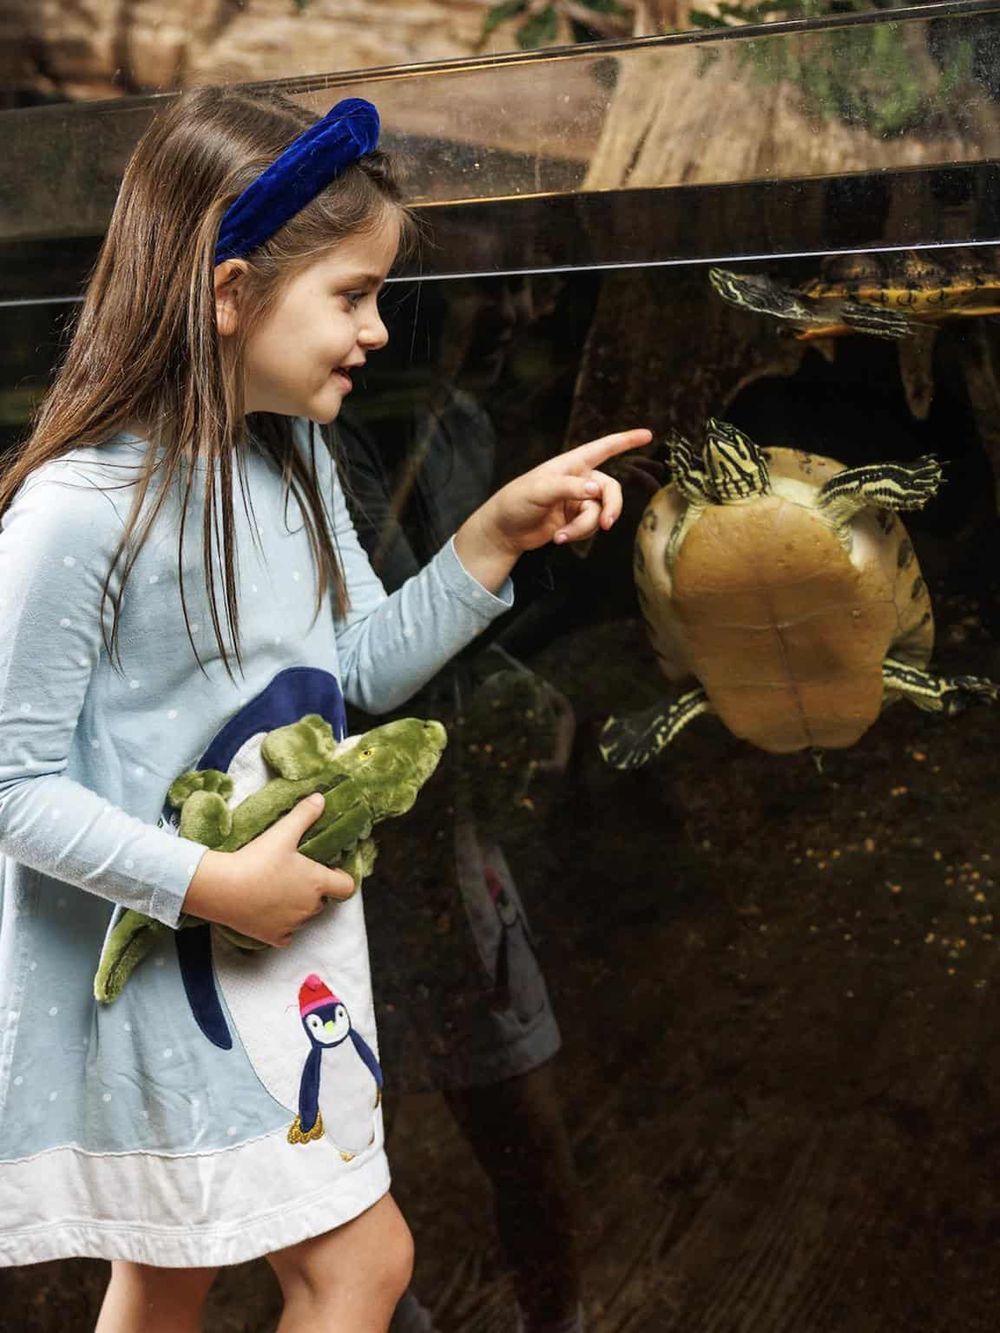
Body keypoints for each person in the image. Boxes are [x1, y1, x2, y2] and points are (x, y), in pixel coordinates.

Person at [0, 86, 650, 1333]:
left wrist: (485, 540)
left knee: (165, 1273)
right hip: (172, 975)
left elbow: (352, 669)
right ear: (231, 292)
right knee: (360, 1267)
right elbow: (16, 788)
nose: (378, 333)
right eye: (350, 296)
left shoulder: (289, 458)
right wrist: (215, 885)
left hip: (273, 962)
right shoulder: (77, 511)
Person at [336, 276, 586, 1333]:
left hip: (443, 831)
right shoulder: (328, 442)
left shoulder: (461, 418)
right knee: (342, 1143)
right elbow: (379, 663)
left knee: (517, 1108)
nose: (523, 308)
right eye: (492, 288)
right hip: (350, 849)